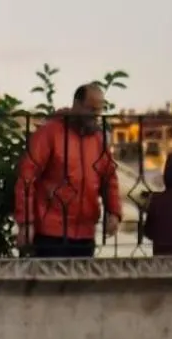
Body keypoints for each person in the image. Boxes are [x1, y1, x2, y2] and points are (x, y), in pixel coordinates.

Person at [15, 82, 123, 258]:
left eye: (98, 111)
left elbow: (109, 177)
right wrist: (26, 223)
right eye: (91, 109)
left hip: (85, 232)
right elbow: (27, 176)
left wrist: (114, 212)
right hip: (51, 231)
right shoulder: (50, 133)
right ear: (77, 104)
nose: (95, 116)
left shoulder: (97, 139)